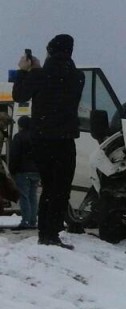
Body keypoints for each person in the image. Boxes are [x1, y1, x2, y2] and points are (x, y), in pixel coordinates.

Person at [12, 34, 85, 248]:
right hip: (66, 140)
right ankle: (52, 231)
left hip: (42, 139)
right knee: (60, 189)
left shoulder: (39, 75)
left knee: (48, 188)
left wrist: (25, 71)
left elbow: (19, 95)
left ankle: (45, 234)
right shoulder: (78, 77)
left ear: (50, 51)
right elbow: (64, 81)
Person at [10, 116, 41, 230]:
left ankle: (25, 221)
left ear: (21, 125)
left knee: (24, 196)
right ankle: (33, 220)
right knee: (33, 196)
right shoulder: (37, 137)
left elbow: (14, 155)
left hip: (23, 171)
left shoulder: (18, 137)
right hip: (36, 171)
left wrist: (12, 170)